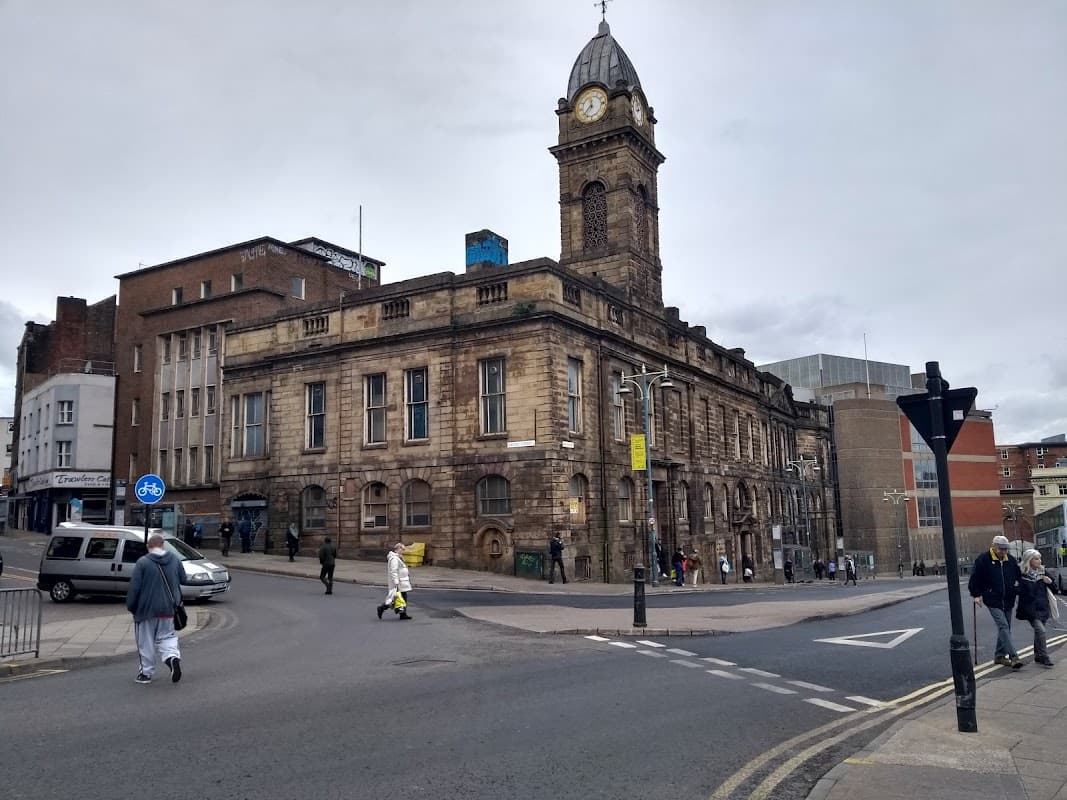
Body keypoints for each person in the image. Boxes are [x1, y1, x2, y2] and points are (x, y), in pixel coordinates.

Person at [125, 533, 184, 685]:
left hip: (146, 610)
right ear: (163, 545)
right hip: (168, 609)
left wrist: (131, 607)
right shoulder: (175, 560)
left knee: (146, 642)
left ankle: (146, 673)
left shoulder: (142, 562)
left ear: (148, 547)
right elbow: (183, 579)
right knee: (167, 637)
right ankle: (172, 658)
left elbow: (134, 588)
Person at [968, 534, 1023, 669]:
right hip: (992, 599)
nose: (1003, 552)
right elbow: (975, 578)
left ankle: (999, 656)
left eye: (1005, 549)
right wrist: (976, 594)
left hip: (1008, 598)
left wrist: (1018, 588)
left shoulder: (1010, 560)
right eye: (1001, 549)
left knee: (1005, 628)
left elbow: (1018, 576)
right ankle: (1014, 657)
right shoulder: (983, 559)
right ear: (994, 547)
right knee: (1003, 626)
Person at [1016, 548, 1055, 668]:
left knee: (1039, 632)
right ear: (1029, 560)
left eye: (1040, 558)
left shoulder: (1043, 572)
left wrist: (1049, 582)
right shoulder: (1022, 574)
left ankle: (1037, 655)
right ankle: (1044, 657)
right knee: (1041, 631)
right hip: (1030, 609)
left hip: (1043, 607)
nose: (1039, 561)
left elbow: (1055, 588)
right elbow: (1019, 591)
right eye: (1036, 558)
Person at [377, 542, 413, 621]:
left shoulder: (398, 557)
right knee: (396, 599)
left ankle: (403, 614)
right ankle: (382, 608)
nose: (403, 551)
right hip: (398, 582)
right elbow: (393, 571)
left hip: (402, 581)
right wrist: (396, 581)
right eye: (402, 549)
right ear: (398, 549)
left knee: (401, 598)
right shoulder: (394, 558)